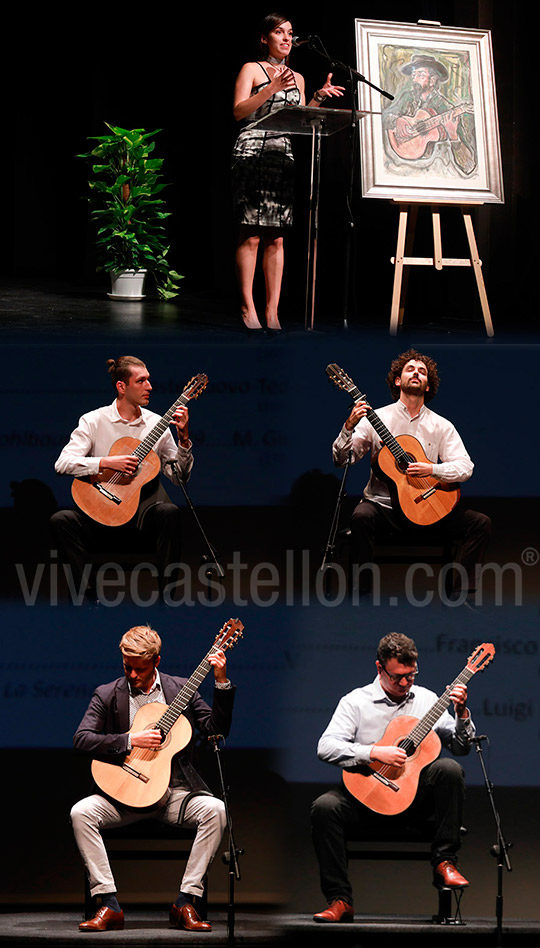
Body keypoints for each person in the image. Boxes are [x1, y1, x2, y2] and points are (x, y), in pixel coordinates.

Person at [71, 623, 235, 932]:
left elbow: (216, 730)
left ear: (156, 662)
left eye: (139, 669)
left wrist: (221, 681)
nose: (132, 675)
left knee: (217, 811)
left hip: (172, 794)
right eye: (127, 667)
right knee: (80, 813)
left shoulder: (180, 690)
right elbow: (82, 739)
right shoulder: (107, 694)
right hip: (121, 796)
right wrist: (130, 740)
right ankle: (108, 903)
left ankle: (186, 901)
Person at [311, 632, 474, 923]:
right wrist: (374, 752)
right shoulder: (355, 702)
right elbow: (325, 747)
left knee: (449, 769)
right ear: (379, 668)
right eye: (397, 676)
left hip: (413, 803)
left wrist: (461, 714)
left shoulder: (427, 700)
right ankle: (340, 900)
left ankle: (445, 862)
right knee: (324, 807)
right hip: (366, 798)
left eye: (410, 676)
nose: (403, 683)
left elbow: (461, 748)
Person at [332, 349, 491, 598]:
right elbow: (343, 460)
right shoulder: (377, 418)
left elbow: (465, 467)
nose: (416, 373)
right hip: (385, 509)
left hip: (427, 509)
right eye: (410, 369)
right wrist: (348, 427)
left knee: (480, 522)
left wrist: (432, 469)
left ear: (428, 385)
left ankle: (464, 596)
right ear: (398, 381)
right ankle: (361, 596)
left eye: (422, 371)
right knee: (361, 517)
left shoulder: (441, 425)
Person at [232, 13, 344, 331]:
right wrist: (270, 88)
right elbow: (239, 110)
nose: (285, 38)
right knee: (251, 233)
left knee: (276, 237)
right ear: (264, 38)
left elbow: (299, 120)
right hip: (252, 152)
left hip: (282, 155)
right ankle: (247, 306)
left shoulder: (298, 76)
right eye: (278, 32)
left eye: (290, 33)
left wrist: (317, 99)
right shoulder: (251, 69)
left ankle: (272, 311)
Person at [50, 356, 193, 601]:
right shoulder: (93, 421)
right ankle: (87, 599)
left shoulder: (156, 424)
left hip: (139, 523)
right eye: (142, 381)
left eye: (149, 380)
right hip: (98, 520)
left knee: (169, 513)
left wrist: (183, 440)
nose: (150, 386)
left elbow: (179, 478)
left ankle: (168, 601)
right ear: (121, 387)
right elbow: (62, 464)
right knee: (61, 519)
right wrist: (106, 462)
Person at [382, 54, 476, 176]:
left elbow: (468, 166)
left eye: (420, 75)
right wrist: (397, 121)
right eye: (414, 75)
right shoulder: (407, 97)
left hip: (436, 172)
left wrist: (453, 136)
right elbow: (382, 117)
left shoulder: (446, 109)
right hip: (400, 166)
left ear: (432, 80)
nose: (414, 80)